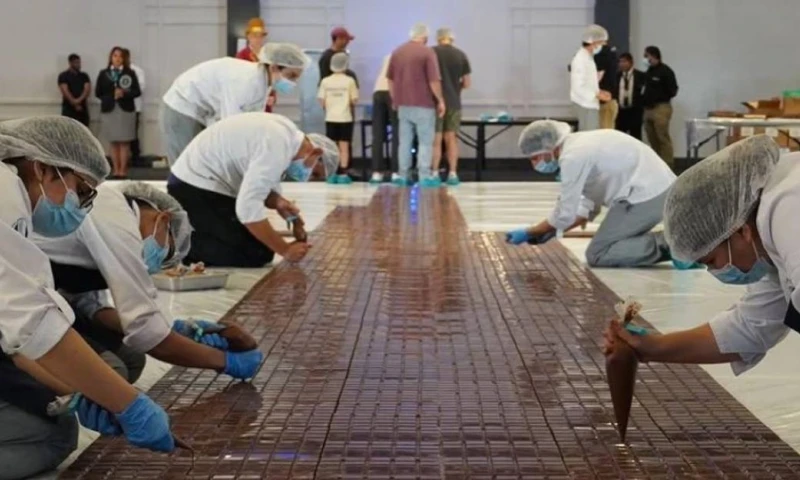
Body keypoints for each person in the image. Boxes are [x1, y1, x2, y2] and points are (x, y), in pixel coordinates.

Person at [0, 116, 176, 471]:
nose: (81, 207)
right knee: (51, 435)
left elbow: (13, 336)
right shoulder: (5, 192)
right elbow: (33, 324)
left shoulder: (12, 198)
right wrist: (130, 404)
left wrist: (80, 393)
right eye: (81, 192)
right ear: (44, 169)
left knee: (53, 414)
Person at [603, 135, 800, 379]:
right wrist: (652, 347)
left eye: (711, 261)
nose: (716, 271)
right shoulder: (768, 242)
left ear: (740, 231)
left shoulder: (788, 209)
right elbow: (751, 327)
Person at [32, 181, 263, 383]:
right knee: (111, 372)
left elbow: (88, 306)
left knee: (131, 360)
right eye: (166, 251)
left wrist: (174, 330)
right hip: (18, 311)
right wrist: (225, 362)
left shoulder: (113, 218)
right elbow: (149, 336)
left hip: (44, 299)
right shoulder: (117, 218)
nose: (157, 261)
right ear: (163, 218)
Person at [168, 113, 339, 267]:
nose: (308, 178)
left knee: (260, 247)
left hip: (206, 185)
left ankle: (190, 234)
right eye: (314, 173)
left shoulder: (285, 136)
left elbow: (257, 187)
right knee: (255, 254)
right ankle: (176, 245)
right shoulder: (277, 145)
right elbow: (247, 208)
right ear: (316, 152)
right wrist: (285, 250)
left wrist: (280, 203)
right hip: (193, 186)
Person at [507, 120, 682, 268]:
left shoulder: (572, 157)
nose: (534, 165)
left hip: (646, 196)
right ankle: (674, 244)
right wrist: (552, 231)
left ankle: (675, 245)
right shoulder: (579, 144)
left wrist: (530, 232)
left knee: (599, 254)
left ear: (548, 148)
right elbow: (585, 208)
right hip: (653, 190)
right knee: (607, 245)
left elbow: (564, 214)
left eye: (535, 158)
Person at [160, 43, 309, 165]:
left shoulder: (263, 84)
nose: (293, 83)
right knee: (186, 167)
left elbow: (254, 123)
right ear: (274, 67)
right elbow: (230, 127)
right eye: (291, 76)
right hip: (181, 107)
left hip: (202, 112)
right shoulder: (244, 81)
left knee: (201, 165)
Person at [387, 23, 445, 187]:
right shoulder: (427, 52)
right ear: (425, 37)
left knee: (404, 142)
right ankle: (424, 176)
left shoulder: (397, 52)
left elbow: (390, 79)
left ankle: (403, 175)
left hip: (403, 105)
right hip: (424, 104)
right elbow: (434, 81)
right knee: (425, 142)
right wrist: (440, 100)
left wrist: (395, 99)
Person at [432, 27, 471, 186]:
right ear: (451, 38)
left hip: (434, 103)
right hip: (454, 102)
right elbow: (467, 83)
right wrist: (456, 89)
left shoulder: (431, 53)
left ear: (438, 38)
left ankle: (434, 173)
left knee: (436, 138)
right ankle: (453, 173)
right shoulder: (461, 55)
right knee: (451, 138)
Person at [95, 46, 141, 179]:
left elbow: (137, 91)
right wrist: (111, 95)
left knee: (124, 141)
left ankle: (123, 170)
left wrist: (124, 93)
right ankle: (115, 170)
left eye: (120, 56)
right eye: (115, 56)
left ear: (124, 59)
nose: (117, 58)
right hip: (109, 109)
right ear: (111, 57)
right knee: (113, 141)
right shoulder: (104, 74)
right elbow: (98, 92)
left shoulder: (130, 73)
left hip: (125, 110)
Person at [318, 53, 359, 185]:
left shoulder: (325, 81)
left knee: (331, 147)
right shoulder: (350, 81)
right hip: (345, 118)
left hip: (330, 117)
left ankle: (332, 173)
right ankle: (343, 173)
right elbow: (354, 100)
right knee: (344, 146)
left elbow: (321, 100)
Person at [642, 45, 678, 167]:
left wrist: (659, 95)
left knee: (662, 137)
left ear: (653, 56)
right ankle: (657, 164)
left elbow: (673, 90)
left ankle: (668, 164)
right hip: (648, 109)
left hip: (661, 108)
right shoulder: (648, 72)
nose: (645, 58)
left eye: (646, 56)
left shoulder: (666, 71)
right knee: (652, 138)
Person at [570, 25, 611, 131]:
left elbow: (589, 83)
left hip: (589, 104)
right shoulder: (580, 59)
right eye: (602, 43)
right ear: (593, 42)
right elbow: (578, 87)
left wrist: (599, 92)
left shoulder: (588, 58)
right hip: (584, 104)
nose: (603, 46)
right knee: (588, 138)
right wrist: (596, 95)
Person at [235, 17, 277, 112]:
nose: (258, 39)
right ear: (248, 36)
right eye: (254, 36)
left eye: (260, 36)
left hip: (266, 102)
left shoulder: (269, 55)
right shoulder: (242, 55)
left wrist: (273, 97)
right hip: (248, 101)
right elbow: (238, 80)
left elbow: (273, 78)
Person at [369, 54, 399, 184]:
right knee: (397, 134)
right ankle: (396, 172)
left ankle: (377, 173)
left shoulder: (386, 60)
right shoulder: (400, 59)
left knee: (378, 135)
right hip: (394, 92)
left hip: (378, 92)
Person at [615, 53, 646, 140]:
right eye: (620, 62)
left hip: (635, 111)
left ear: (631, 62)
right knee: (620, 137)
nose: (622, 64)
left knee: (636, 137)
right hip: (620, 112)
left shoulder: (641, 76)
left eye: (624, 61)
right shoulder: (616, 76)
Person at [58, 54, 91, 127]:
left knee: (83, 131)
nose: (78, 65)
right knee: (68, 131)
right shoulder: (63, 76)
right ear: (70, 63)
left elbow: (87, 89)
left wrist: (79, 100)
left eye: (79, 62)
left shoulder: (84, 76)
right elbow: (64, 90)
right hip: (68, 109)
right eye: (76, 62)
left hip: (82, 108)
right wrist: (74, 102)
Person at [124, 49, 146, 165]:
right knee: (120, 135)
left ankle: (135, 157)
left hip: (134, 108)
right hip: (117, 109)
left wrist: (125, 91)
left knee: (132, 133)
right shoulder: (115, 71)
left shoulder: (137, 71)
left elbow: (140, 88)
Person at [594, 39, 618, 129]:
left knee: (605, 133)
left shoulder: (603, 55)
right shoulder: (611, 54)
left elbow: (598, 76)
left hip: (605, 102)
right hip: (608, 101)